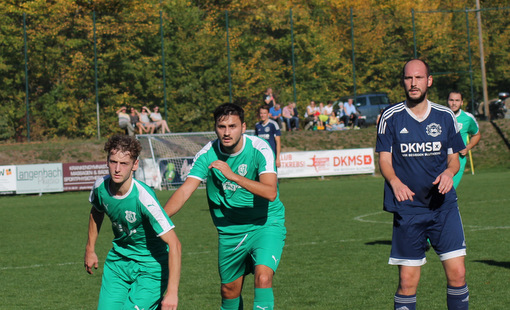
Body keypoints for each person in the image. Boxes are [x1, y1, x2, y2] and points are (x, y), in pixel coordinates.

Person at [163, 103, 286, 310]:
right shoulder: (207, 154)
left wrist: (233, 176)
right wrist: (160, 218)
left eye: (232, 126)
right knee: (229, 290)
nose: (227, 132)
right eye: (222, 127)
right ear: (215, 128)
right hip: (230, 231)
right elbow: (185, 191)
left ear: (243, 127)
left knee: (263, 278)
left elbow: (270, 192)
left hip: (264, 224)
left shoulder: (260, 149)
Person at [376, 59, 468, 310]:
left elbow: (454, 158)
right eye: (408, 78)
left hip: (443, 208)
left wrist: (449, 172)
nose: (413, 83)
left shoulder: (445, 115)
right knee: (407, 282)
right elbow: (384, 160)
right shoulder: (390, 117)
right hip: (409, 210)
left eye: (418, 78)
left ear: (428, 81)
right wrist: (394, 182)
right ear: (403, 82)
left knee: (458, 275)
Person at [84, 134, 181, 310]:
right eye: (113, 162)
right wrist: (90, 249)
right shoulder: (100, 187)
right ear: (107, 161)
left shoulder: (144, 198)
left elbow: (175, 244)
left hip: (151, 267)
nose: (117, 169)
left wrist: (172, 292)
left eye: (124, 163)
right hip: (118, 263)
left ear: (134, 165)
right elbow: (96, 212)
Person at [447, 91, 481, 189]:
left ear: (462, 102)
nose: (454, 103)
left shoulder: (468, 118)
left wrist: (468, 147)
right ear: (447, 101)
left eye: (457, 100)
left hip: (458, 162)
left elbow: (476, 135)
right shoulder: (439, 116)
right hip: (439, 160)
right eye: (451, 100)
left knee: (448, 191)